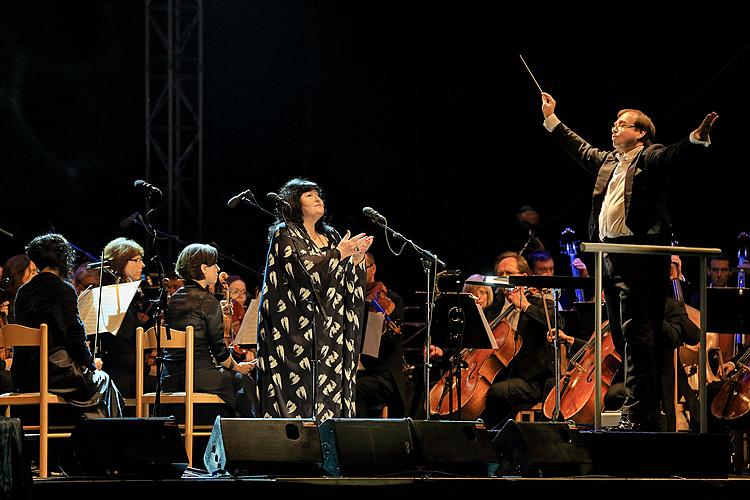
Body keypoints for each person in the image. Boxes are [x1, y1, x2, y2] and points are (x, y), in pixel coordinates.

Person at [541, 91, 718, 431]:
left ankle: (637, 414)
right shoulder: (609, 161)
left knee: (637, 335)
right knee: (624, 340)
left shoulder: (649, 155)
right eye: (614, 123)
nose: (614, 128)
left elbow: (672, 155)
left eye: (622, 124)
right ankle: (644, 411)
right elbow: (579, 148)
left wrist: (696, 139)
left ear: (640, 133)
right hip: (610, 257)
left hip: (639, 258)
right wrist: (552, 118)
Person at [257, 178, 373, 420]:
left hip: (329, 329)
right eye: (309, 195)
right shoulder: (285, 234)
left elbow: (343, 280)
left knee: (330, 389)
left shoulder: (331, 237)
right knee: (299, 392)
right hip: (295, 333)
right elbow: (302, 272)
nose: (317, 198)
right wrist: (340, 253)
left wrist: (356, 259)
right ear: (293, 202)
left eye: (318, 194)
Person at [11, 233, 123, 417]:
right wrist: (91, 364)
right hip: (56, 374)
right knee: (104, 380)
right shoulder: (63, 288)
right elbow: (74, 335)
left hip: (24, 375)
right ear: (64, 259)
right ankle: (111, 439)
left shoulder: (23, 292)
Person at [163, 243, 257, 417]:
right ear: (204, 268)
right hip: (196, 376)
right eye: (215, 265)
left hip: (169, 377)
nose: (218, 268)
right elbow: (219, 351)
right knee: (244, 383)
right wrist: (238, 368)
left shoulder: (174, 298)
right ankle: (258, 436)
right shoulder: (207, 300)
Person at [96, 237, 155, 399]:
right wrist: (148, 369)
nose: (142, 265)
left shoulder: (118, 296)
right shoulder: (113, 298)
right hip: (120, 377)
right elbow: (120, 350)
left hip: (122, 372)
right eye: (137, 260)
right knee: (167, 386)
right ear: (120, 262)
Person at [356, 252, 411, 418]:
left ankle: (360, 439)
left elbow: (382, 346)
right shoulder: (349, 299)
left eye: (361, 268)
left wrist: (377, 320)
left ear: (373, 269)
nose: (356, 273)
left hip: (383, 374)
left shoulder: (388, 300)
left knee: (354, 390)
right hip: (356, 371)